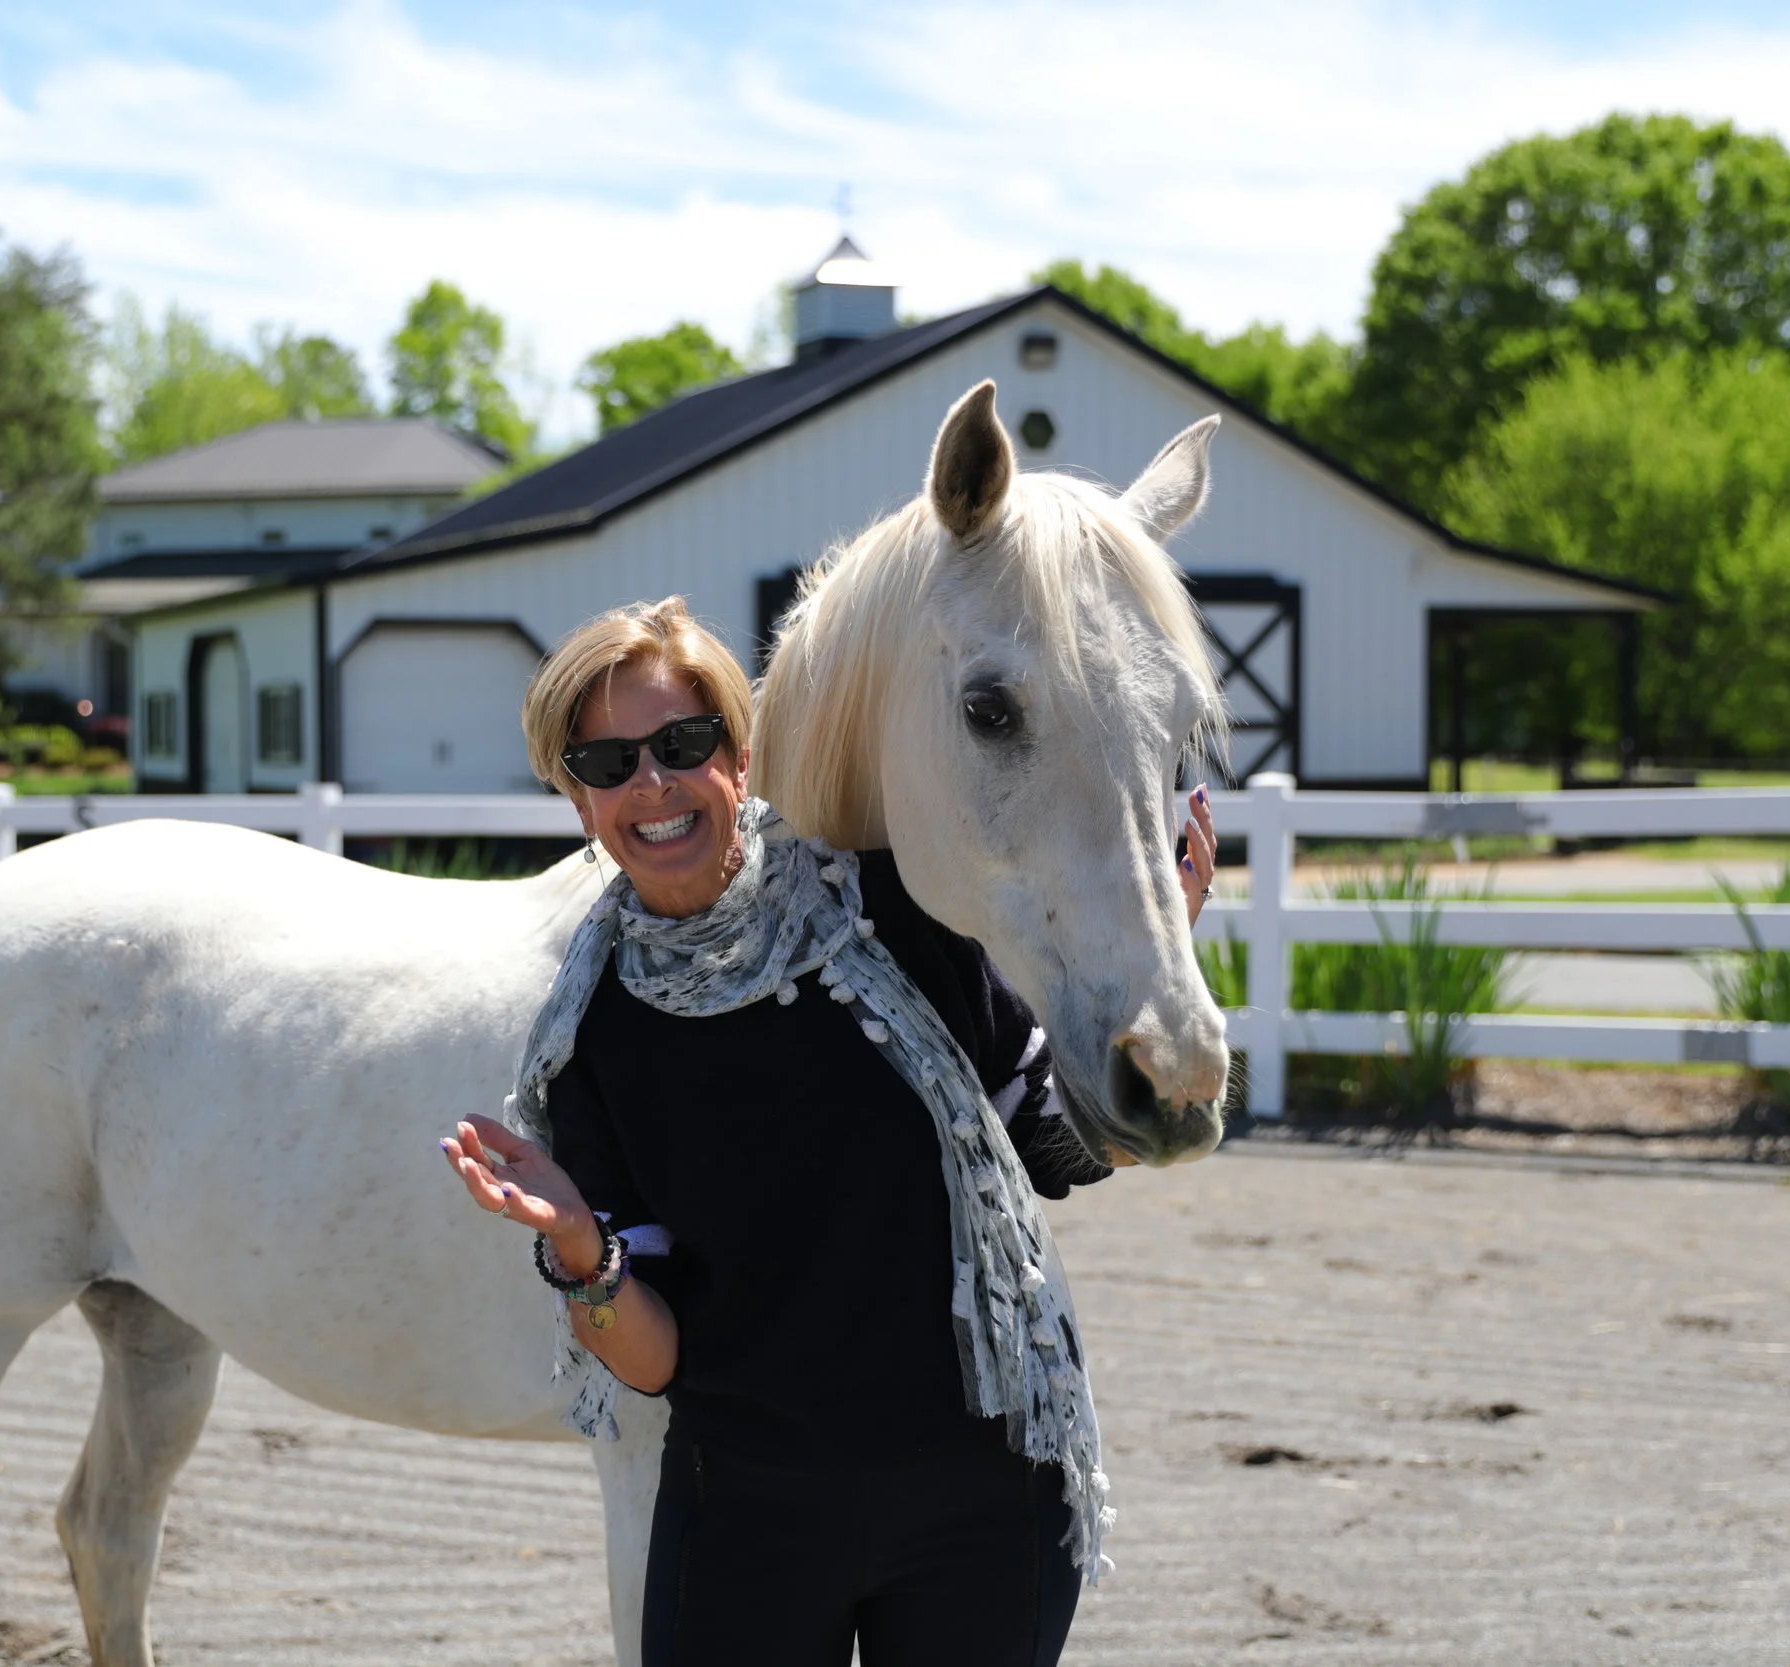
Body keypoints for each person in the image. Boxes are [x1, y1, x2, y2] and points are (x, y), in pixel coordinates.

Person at [438, 597, 1216, 1667]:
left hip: (982, 1499)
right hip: (746, 1511)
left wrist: (1143, 1000)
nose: (650, 783)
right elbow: (654, 1361)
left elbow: (1055, 1146)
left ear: (739, 756)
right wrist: (579, 1249)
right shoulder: (595, 1031)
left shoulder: (894, 910)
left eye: (681, 743)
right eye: (606, 762)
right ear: (576, 797)